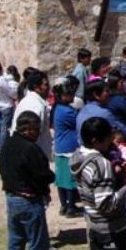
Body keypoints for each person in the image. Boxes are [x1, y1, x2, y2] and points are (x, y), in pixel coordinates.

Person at [0, 111, 55, 250]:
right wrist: (47, 183)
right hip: (29, 201)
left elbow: (0, 166)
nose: (38, 133)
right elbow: (43, 174)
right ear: (28, 129)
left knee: (15, 242)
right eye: (36, 129)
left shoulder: (7, 144)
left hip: (11, 198)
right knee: (38, 245)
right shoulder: (30, 148)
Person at [71, 117, 126, 250]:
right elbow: (106, 204)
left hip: (94, 225)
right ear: (95, 141)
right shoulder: (101, 164)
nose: (111, 140)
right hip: (110, 228)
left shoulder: (78, 156)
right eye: (108, 137)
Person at [52, 78, 82, 217]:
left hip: (60, 147)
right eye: (69, 95)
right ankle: (70, 207)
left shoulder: (58, 108)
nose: (71, 97)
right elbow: (80, 120)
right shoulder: (67, 111)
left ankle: (64, 205)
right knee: (70, 180)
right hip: (69, 148)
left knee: (61, 179)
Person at [11, 69, 53, 160]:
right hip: (32, 157)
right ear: (36, 86)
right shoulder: (35, 106)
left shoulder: (31, 101)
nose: (48, 87)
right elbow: (32, 136)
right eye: (45, 85)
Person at [77, 80, 126, 145]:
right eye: (106, 91)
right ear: (96, 95)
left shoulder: (82, 111)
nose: (109, 93)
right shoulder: (103, 113)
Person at [0, 62, 20, 151]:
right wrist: (14, 97)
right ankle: (2, 147)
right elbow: (10, 92)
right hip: (6, 106)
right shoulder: (1, 80)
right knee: (4, 128)